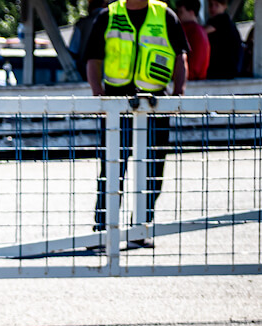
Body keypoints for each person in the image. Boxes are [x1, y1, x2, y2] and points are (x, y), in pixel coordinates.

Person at [84, 0, 188, 239]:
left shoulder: (165, 15)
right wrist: (98, 95)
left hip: (155, 105)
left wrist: (178, 95)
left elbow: (180, 55)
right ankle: (103, 229)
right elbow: (93, 57)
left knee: (153, 168)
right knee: (111, 168)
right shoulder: (108, 15)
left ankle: (141, 227)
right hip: (115, 105)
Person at [69, 0, 109, 82]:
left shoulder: (82, 24)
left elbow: (73, 51)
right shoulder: (116, 20)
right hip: (113, 74)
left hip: (87, 74)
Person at [205, 0, 243, 79]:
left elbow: (202, 32)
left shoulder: (222, 19)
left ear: (224, 6)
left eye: (217, 5)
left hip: (225, 68)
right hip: (227, 69)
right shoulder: (220, 21)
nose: (213, 8)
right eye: (211, 5)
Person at [176, 0, 209, 80]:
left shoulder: (187, 29)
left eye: (181, 12)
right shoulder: (202, 30)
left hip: (189, 77)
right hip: (200, 77)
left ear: (191, 12)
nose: (177, 16)